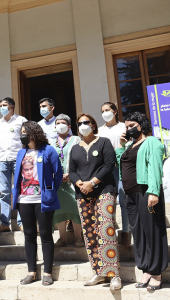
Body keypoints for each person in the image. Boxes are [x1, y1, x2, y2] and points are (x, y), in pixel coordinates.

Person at [68, 113, 121, 290]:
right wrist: (79, 183)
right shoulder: (75, 148)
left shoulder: (104, 142)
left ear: (93, 124)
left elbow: (109, 164)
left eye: (86, 122)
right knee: (89, 232)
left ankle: (114, 275)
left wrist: (92, 182)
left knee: (106, 228)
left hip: (104, 190)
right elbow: (72, 170)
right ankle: (99, 272)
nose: (83, 125)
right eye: (80, 123)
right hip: (83, 193)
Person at [116, 112, 168, 290]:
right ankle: (145, 267)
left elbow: (155, 167)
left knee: (152, 231)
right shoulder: (130, 145)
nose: (129, 129)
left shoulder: (151, 142)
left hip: (146, 192)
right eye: (127, 126)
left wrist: (153, 191)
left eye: (132, 125)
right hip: (130, 195)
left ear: (141, 125)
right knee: (138, 232)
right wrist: (122, 147)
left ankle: (156, 272)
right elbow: (123, 165)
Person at [11, 121, 62, 285]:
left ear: (34, 133)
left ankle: (47, 272)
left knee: (46, 235)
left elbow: (58, 174)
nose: (23, 135)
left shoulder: (48, 150)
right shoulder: (21, 153)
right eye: (22, 132)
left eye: (25, 131)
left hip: (43, 200)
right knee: (29, 236)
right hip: (24, 200)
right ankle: (31, 271)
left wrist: (50, 190)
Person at [0, 97, 27, 233]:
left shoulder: (21, 120)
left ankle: (21, 222)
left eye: (5, 105)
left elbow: (26, 139)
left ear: (12, 107)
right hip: (2, 159)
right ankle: (5, 223)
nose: (2, 107)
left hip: (18, 158)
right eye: (0, 105)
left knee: (19, 190)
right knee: (4, 192)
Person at [98, 102, 129, 245]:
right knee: (109, 200)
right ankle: (110, 231)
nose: (105, 113)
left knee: (123, 199)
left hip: (123, 167)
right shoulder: (99, 131)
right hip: (107, 170)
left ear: (115, 111)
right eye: (103, 111)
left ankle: (126, 232)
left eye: (108, 110)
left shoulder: (123, 127)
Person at [50, 114, 83, 248]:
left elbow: (81, 159)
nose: (60, 125)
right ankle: (62, 238)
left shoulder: (76, 139)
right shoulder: (51, 142)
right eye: (57, 123)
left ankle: (78, 237)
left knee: (75, 209)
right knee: (60, 210)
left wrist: (71, 174)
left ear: (69, 126)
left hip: (73, 180)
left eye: (63, 122)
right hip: (57, 181)